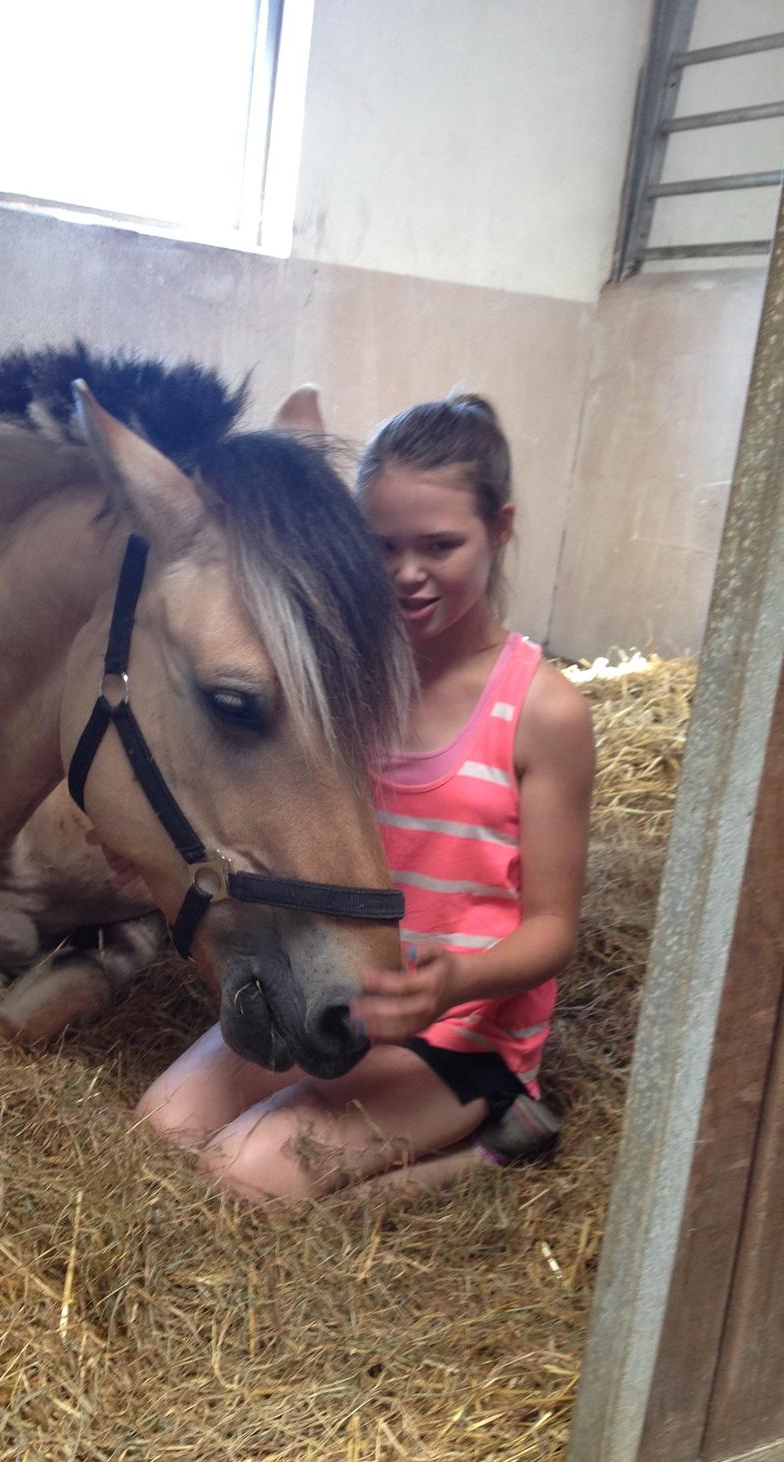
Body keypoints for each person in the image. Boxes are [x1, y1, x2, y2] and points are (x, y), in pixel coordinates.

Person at [127, 393, 595, 1202]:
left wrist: (452, 985)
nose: (408, 573)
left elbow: (553, 928)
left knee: (239, 1180)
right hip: (336, 994)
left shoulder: (542, 711)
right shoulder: (340, 672)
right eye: (381, 547)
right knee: (160, 1126)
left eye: (440, 545)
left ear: (501, 529)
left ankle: (495, 1138)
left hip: (458, 1032)